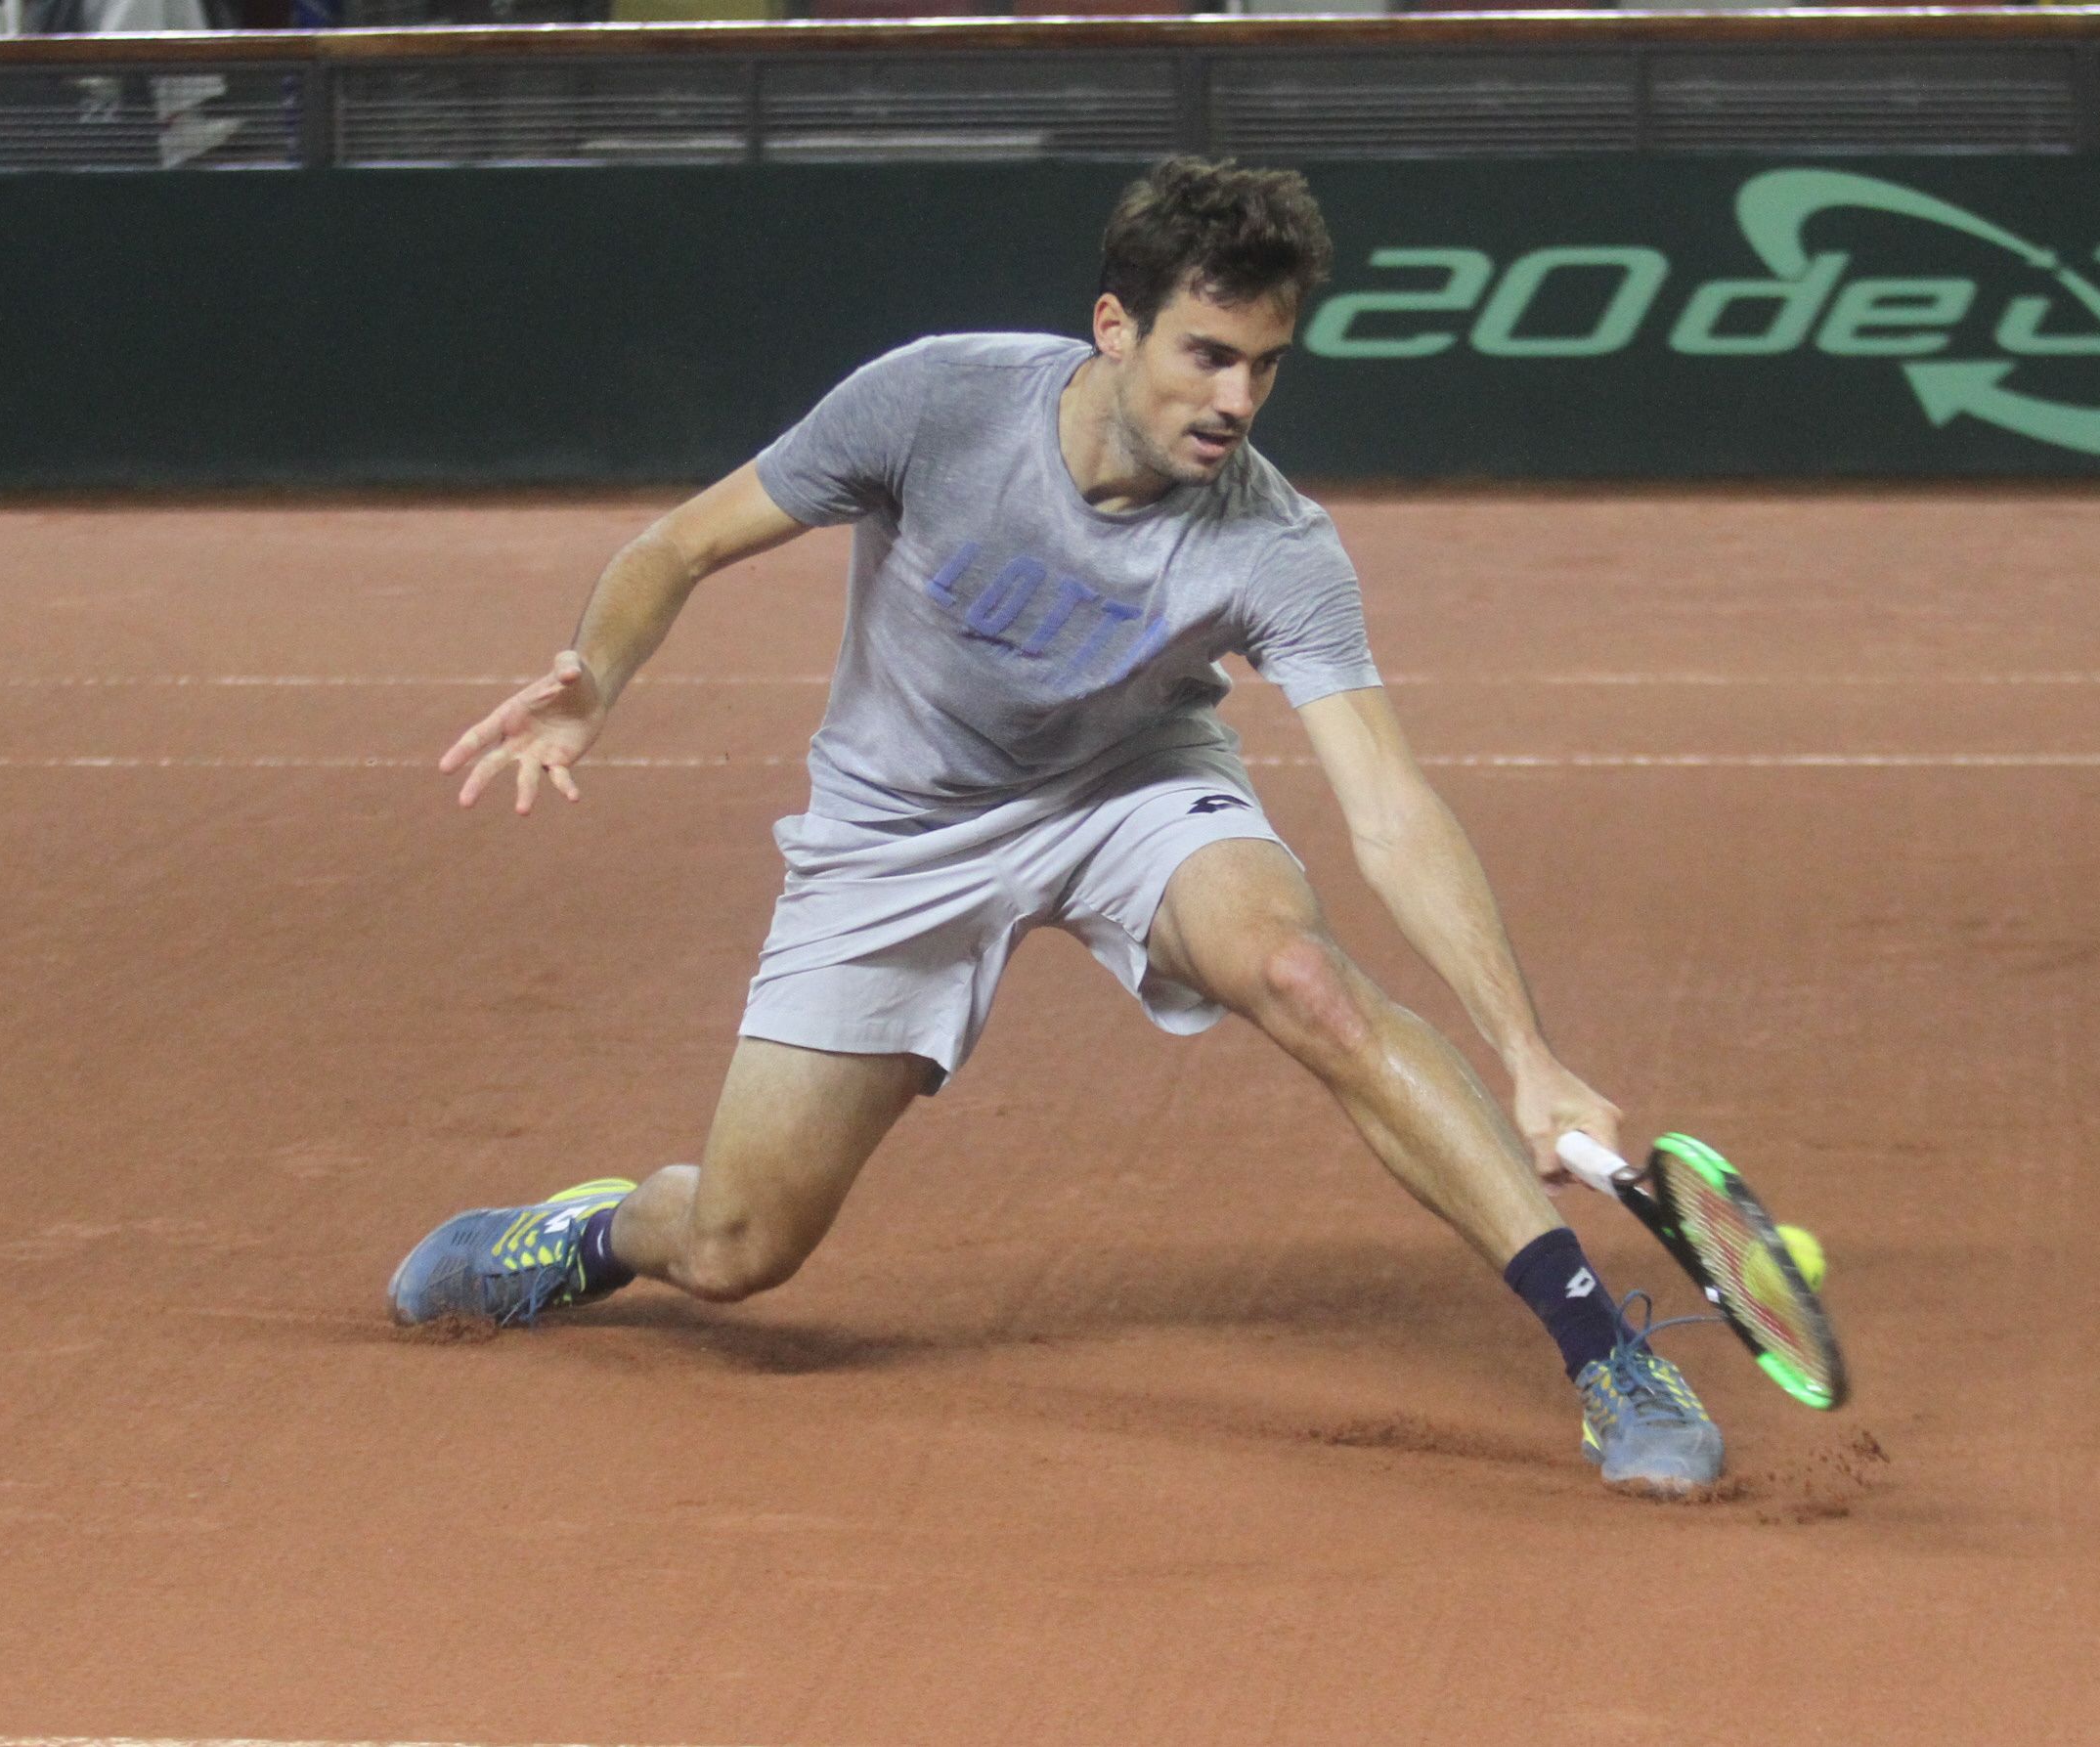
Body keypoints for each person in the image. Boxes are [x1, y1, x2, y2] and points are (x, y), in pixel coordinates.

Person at [393, 156, 1722, 1497]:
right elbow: (679, 545)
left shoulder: (1276, 543)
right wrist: (594, 682)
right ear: (1114, 327)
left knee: (1302, 974)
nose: (1238, 400)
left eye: (1266, 364)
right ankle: (595, 1235)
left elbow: (1390, 807)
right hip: (898, 826)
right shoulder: (936, 401)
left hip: (1128, 786)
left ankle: (1605, 1353)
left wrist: (1529, 1053)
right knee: (738, 1248)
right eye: (1208, 356)